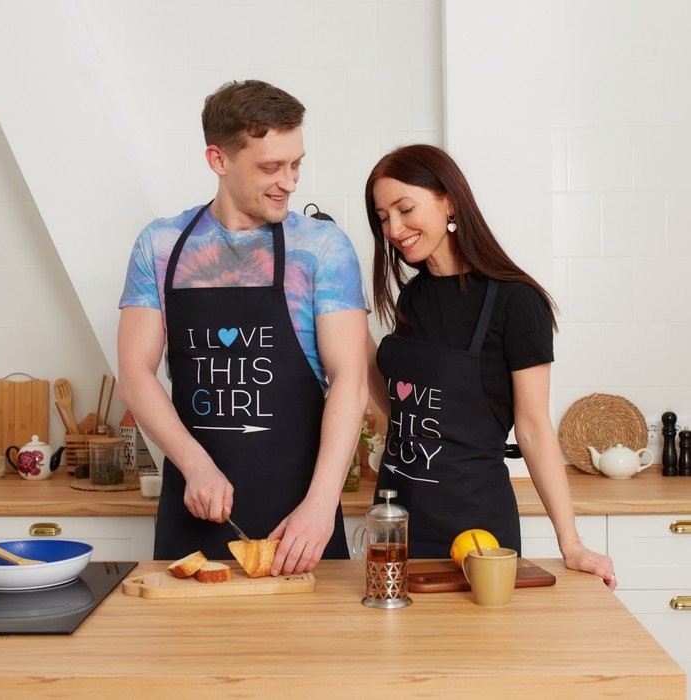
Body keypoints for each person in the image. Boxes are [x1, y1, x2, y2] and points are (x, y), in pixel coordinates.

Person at [117, 80, 368, 575]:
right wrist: (195, 465)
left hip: (301, 519)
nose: (288, 182)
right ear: (219, 159)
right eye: (271, 167)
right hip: (194, 506)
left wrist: (321, 505)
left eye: (296, 164)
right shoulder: (161, 245)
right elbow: (134, 374)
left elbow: (351, 381)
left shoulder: (322, 248)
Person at [364, 144, 616, 589]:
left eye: (405, 209)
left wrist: (571, 543)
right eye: (383, 217)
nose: (394, 229)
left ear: (449, 201)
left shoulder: (517, 302)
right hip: (396, 522)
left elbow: (533, 429)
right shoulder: (413, 297)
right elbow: (404, 408)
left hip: (476, 529)